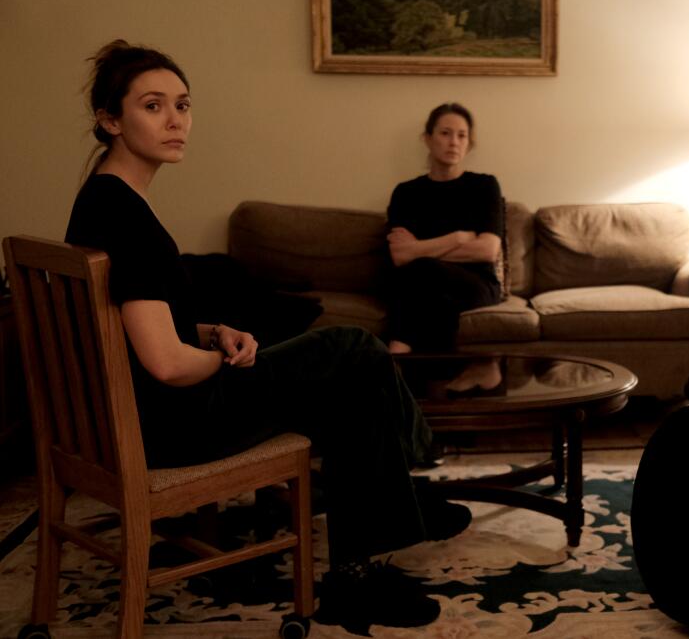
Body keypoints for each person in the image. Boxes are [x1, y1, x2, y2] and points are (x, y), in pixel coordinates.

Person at [64, 40, 466, 634]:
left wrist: (211, 330)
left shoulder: (104, 200)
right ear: (109, 119)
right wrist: (225, 361)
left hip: (143, 414)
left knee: (347, 385)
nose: (176, 120)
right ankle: (402, 491)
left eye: (183, 104)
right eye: (153, 106)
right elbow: (169, 366)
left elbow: (134, 321)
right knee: (351, 348)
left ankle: (365, 557)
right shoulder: (124, 215)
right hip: (172, 424)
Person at [384, 103, 504, 354]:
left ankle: (396, 355)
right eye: (445, 133)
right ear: (427, 139)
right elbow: (399, 255)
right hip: (425, 285)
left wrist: (418, 248)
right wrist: (458, 237)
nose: (454, 142)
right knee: (435, 299)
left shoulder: (484, 186)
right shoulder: (407, 193)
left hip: (477, 283)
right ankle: (441, 382)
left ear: (469, 144)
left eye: (462, 135)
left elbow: (487, 251)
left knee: (419, 269)